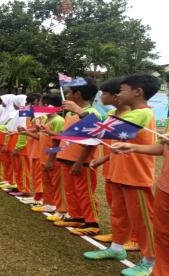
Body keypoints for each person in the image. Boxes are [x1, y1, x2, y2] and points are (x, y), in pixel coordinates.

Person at [83, 74, 160, 276]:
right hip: (119, 174)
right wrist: (103, 159)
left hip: (135, 176)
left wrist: (81, 115)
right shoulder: (130, 112)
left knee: (142, 219)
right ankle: (117, 248)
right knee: (118, 214)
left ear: (137, 92)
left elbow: (110, 129)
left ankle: (150, 260)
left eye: (121, 90)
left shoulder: (142, 113)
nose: (118, 95)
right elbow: (119, 141)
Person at [54, 78, 101, 237]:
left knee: (85, 192)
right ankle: (76, 216)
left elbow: (93, 139)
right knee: (71, 190)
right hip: (66, 158)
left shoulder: (92, 113)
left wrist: (80, 162)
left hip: (81, 162)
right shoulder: (69, 114)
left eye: (69, 92)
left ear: (78, 94)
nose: (66, 95)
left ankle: (92, 222)